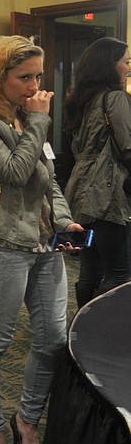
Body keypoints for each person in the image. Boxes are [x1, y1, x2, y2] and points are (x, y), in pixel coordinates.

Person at [0, 35, 84, 444]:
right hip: (3, 242)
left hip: (45, 240)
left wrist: (64, 219)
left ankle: (26, 421)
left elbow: (49, 179)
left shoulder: (26, 119)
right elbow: (14, 173)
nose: (35, 86)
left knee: (52, 339)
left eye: (38, 76)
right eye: (24, 77)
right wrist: (39, 123)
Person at [63, 37, 131, 308]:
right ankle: (108, 330)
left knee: (90, 269)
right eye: (126, 62)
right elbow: (127, 147)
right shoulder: (115, 98)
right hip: (108, 194)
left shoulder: (80, 99)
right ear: (109, 64)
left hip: (80, 192)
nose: (129, 68)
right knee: (119, 273)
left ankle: (83, 326)